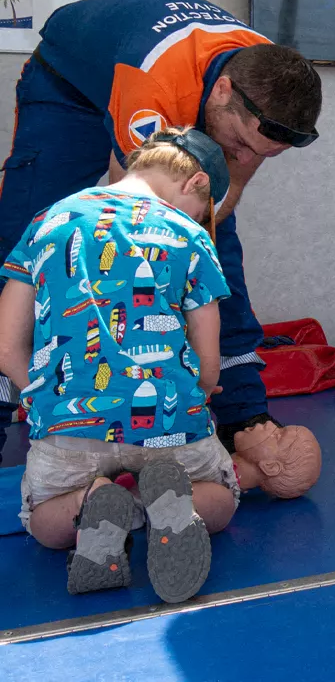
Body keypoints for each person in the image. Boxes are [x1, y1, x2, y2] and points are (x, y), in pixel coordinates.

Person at [0, 0, 323, 461]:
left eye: (262, 153)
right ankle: (8, 392)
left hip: (169, 77)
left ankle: (243, 408)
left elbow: (215, 210)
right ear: (223, 90)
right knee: (28, 232)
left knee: (213, 244)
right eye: (239, 143)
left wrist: (200, 249)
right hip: (69, 81)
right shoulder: (154, 88)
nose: (248, 158)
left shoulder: (266, 89)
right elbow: (127, 224)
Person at [0, 129, 237, 602]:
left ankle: (92, 504)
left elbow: (6, 347)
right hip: (169, 424)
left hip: (70, 427)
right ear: (195, 183)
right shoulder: (188, 235)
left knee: (45, 521)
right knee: (221, 498)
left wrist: (44, 400)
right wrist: (206, 386)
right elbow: (209, 358)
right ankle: (161, 503)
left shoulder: (49, 220)